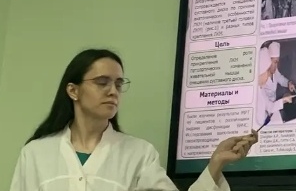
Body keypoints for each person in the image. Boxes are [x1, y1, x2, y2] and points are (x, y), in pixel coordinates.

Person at [9, 48, 258, 191]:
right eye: (102, 82)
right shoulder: (36, 154)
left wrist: (215, 164)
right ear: (73, 90)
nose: (113, 91)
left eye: (118, 84)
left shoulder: (139, 154)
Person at [254, 41, 296, 127]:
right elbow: (266, 107)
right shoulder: (258, 88)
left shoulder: (273, 71)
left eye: (277, 62)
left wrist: (289, 83)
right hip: (267, 111)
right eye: (275, 62)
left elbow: (280, 78)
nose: (276, 66)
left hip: (272, 108)